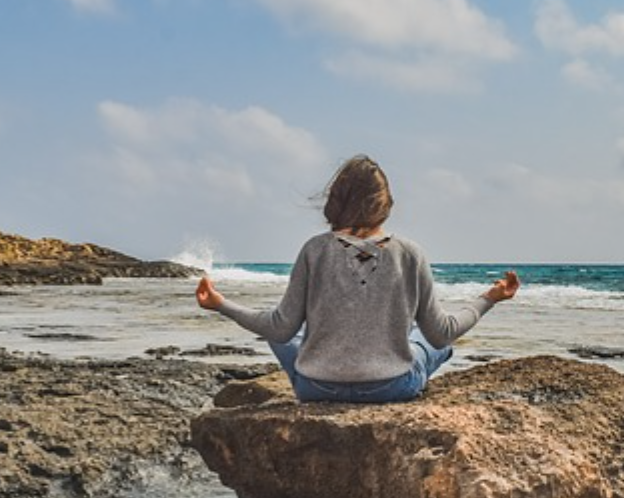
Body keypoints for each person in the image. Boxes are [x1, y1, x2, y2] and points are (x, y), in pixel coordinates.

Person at [195, 155, 519, 403]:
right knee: (427, 339)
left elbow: (280, 329)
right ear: (385, 203)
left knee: (281, 328)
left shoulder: (313, 250)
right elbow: (443, 332)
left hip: (315, 388)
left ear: (335, 200)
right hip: (392, 387)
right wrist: (490, 298)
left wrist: (220, 304)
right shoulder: (410, 253)